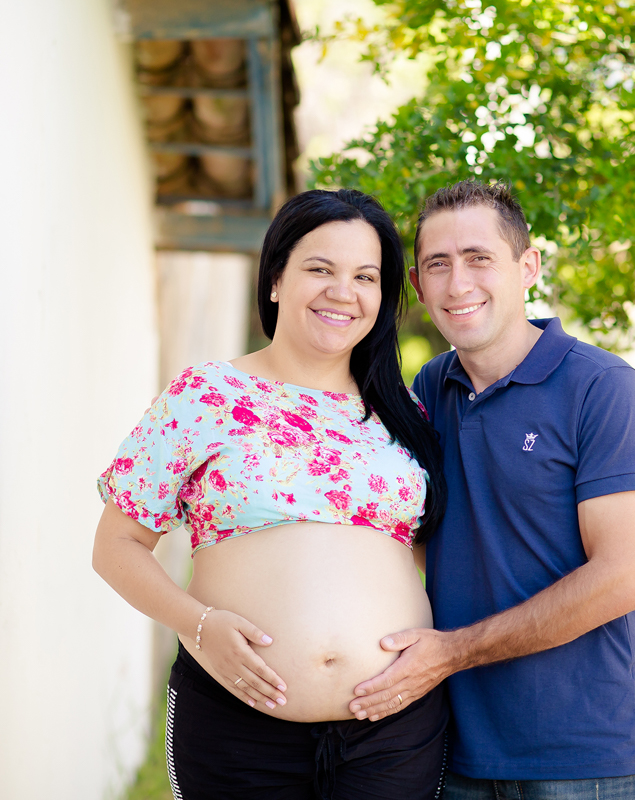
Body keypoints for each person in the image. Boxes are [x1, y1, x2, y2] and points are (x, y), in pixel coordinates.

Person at [92, 189, 450, 800]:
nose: (344, 292)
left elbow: (429, 556)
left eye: (366, 276)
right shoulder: (206, 394)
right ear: (276, 279)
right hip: (238, 724)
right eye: (320, 269)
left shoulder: (406, 413)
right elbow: (116, 547)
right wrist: (198, 625)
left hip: (393, 730)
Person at [347, 181, 635, 800]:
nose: (457, 282)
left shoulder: (601, 388)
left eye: (478, 258)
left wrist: (451, 653)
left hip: (585, 755)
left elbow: (622, 577)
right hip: (459, 749)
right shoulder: (430, 389)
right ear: (416, 285)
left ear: (528, 267)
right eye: (437, 264)